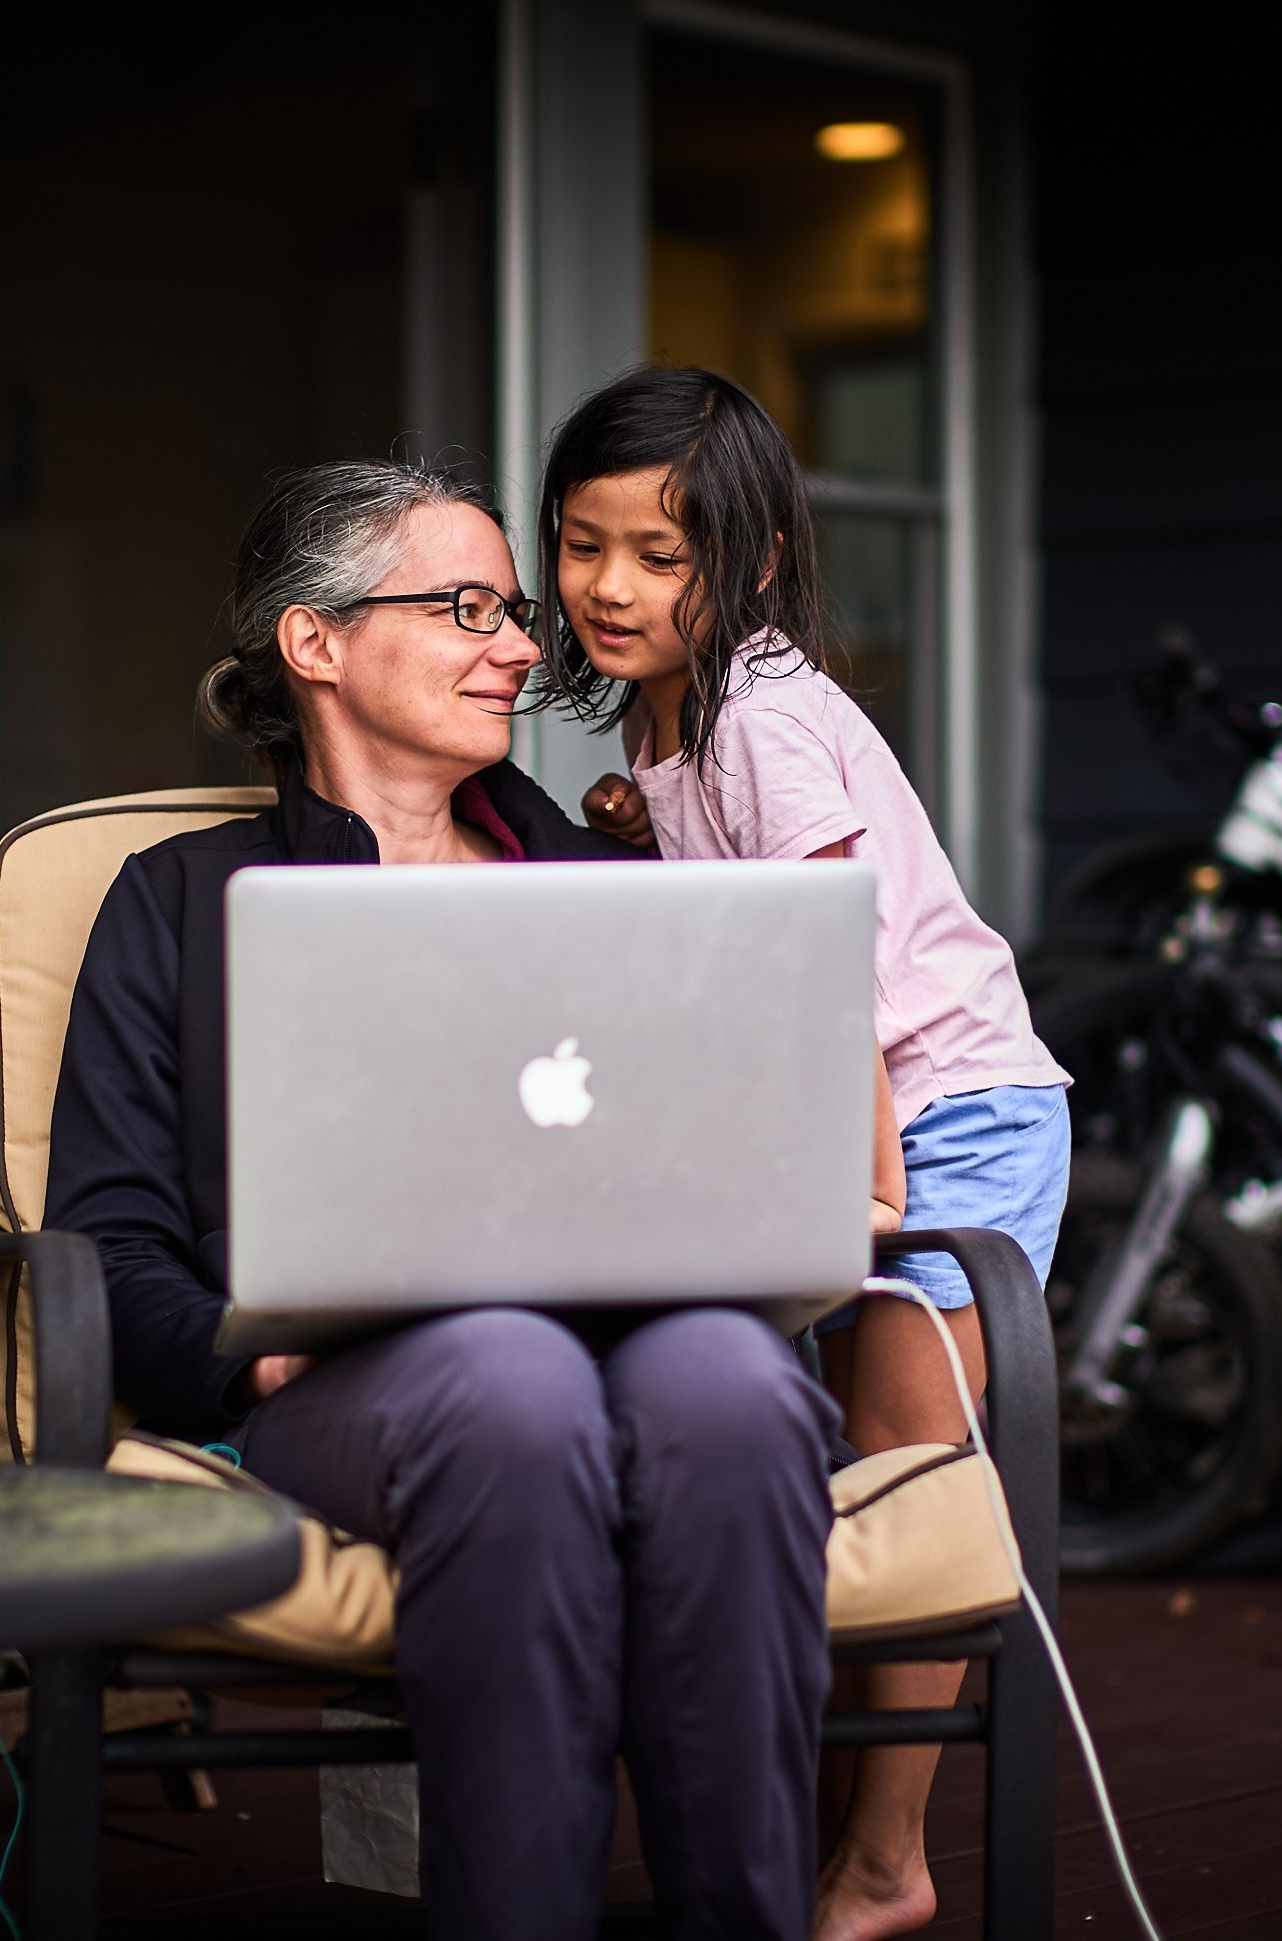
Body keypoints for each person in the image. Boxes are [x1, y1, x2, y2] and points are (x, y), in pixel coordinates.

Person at [43, 458, 842, 1941]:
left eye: (514, 611)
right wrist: (257, 1346)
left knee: (734, 1383)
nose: (526, 646)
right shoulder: (179, 903)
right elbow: (106, 1240)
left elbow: (729, 1149)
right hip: (363, 1389)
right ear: (316, 641)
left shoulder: (619, 878)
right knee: (504, 1377)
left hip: (657, 1338)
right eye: (469, 605)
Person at [532, 368, 1071, 1941]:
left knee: (902, 1484)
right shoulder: (674, 712)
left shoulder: (761, 711)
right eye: (580, 544)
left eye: (659, 554)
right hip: (850, 1118)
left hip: (938, 1113)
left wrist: (879, 1209)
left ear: (752, 562)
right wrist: (636, 812)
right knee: (834, 1487)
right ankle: (838, 1839)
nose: (610, 587)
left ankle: (885, 1862)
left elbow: (823, 973)